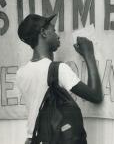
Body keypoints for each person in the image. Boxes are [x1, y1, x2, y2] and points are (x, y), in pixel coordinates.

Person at [16, 14, 103, 144]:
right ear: (44, 33)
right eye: (53, 30)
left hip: (32, 139)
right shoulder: (59, 69)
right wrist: (89, 54)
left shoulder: (21, 73)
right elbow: (95, 95)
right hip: (53, 138)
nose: (58, 35)